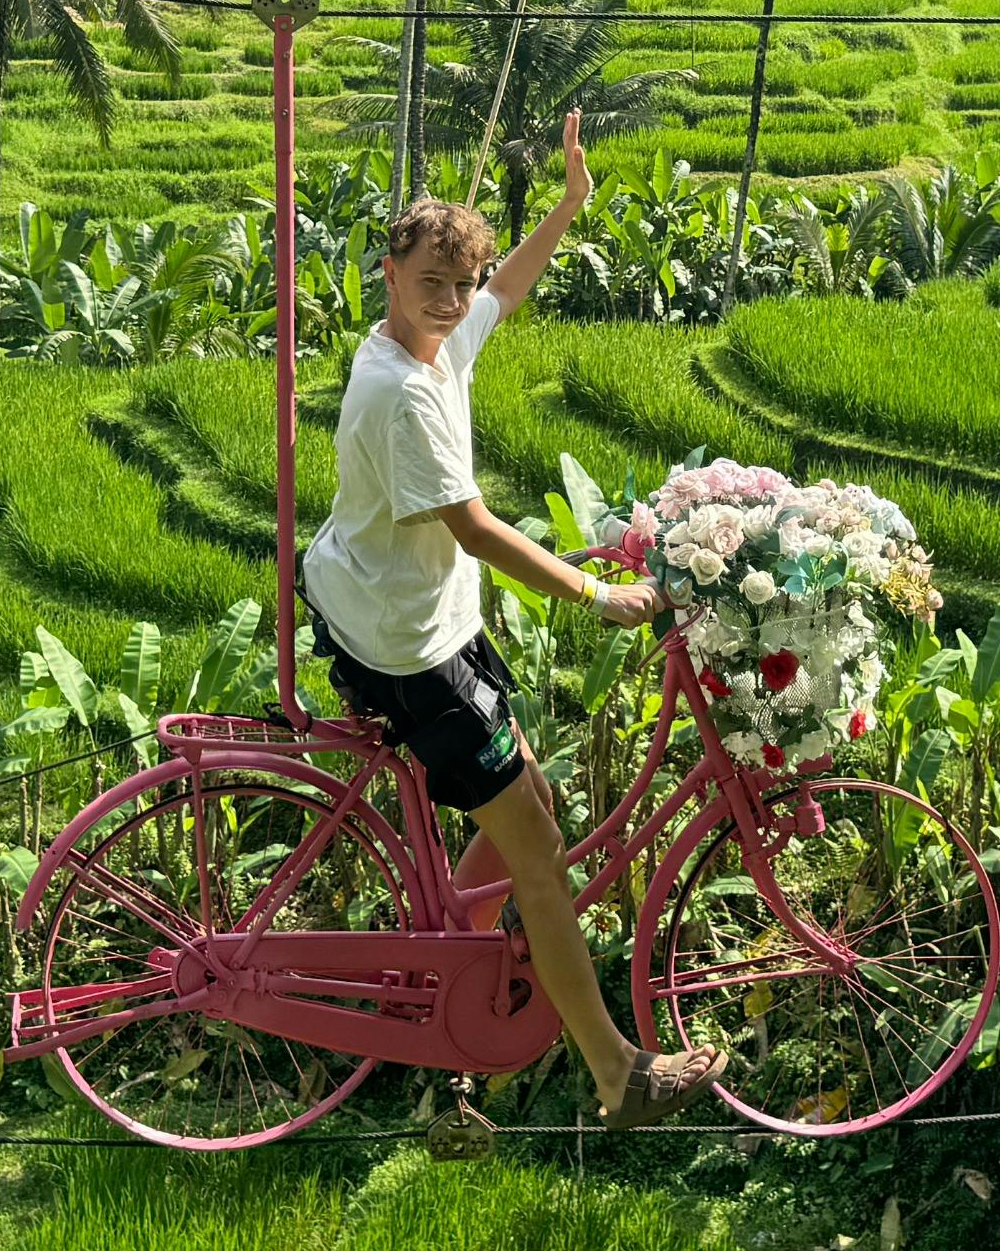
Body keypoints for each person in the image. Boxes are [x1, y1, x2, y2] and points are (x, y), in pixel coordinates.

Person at [299, 111, 727, 1131]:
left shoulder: (435, 347)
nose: (451, 302)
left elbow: (504, 291)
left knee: (526, 793)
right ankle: (619, 1075)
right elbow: (477, 529)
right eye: (431, 282)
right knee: (535, 850)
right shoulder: (401, 394)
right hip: (410, 649)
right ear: (388, 273)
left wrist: (571, 204)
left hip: (418, 618)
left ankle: (447, 989)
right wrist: (596, 594)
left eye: (458, 284)